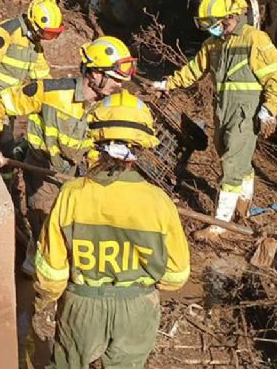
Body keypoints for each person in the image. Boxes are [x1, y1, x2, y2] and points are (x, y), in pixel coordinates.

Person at [33, 91, 190, 369]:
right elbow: (176, 276)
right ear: (141, 147)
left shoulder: (71, 194)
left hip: (81, 305)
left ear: (95, 139)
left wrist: (46, 301)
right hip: (138, 307)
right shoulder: (159, 201)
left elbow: (52, 272)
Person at [0, 36, 136, 274]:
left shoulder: (109, 105)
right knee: (45, 222)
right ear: (95, 73)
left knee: (78, 224)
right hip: (43, 171)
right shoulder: (51, 93)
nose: (119, 85)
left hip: (78, 173)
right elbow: (1, 103)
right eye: (115, 78)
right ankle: (39, 274)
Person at [151, 0, 277, 241]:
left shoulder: (255, 40)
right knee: (233, 157)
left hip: (246, 113)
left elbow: (275, 80)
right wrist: (168, 84)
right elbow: (194, 70)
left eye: (214, 23)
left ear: (229, 17)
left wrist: (269, 110)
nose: (212, 29)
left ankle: (219, 225)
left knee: (232, 163)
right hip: (223, 110)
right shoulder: (213, 44)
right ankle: (241, 210)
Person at [0, 0, 64, 153]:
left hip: (10, 98)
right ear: (34, 23)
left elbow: (41, 74)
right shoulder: (6, 33)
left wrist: (56, 99)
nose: (46, 38)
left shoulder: (34, 41)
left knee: (6, 142)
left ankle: (6, 175)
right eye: (47, 33)